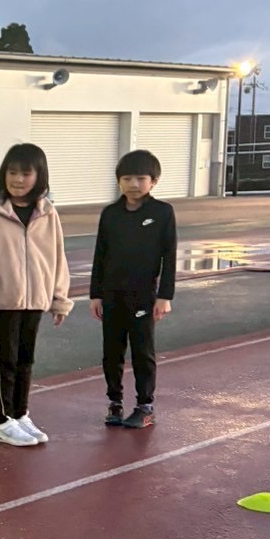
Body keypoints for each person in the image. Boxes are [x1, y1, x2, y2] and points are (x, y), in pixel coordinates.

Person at [0, 143, 73, 447]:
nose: (18, 179)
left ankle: (20, 413)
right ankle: (3, 421)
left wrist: (59, 298)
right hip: (3, 302)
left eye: (26, 173)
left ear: (39, 176)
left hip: (36, 299)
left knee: (26, 360)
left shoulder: (48, 213)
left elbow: (57, 256)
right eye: (12, 172)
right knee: (6, 362)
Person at [89, 150, 176, 428]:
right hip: (112, 295)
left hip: (144, 296)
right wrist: (95, 294)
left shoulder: (162, 213)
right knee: (112, 352)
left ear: (154, 181)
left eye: (140, 178)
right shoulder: (110, 214)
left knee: (142, 351)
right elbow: (100, 255)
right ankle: (114, 402)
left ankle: (145, 406)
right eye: (127, 179)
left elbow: (169, 256)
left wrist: (164, 296)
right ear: (119, 181)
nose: (133, 184)